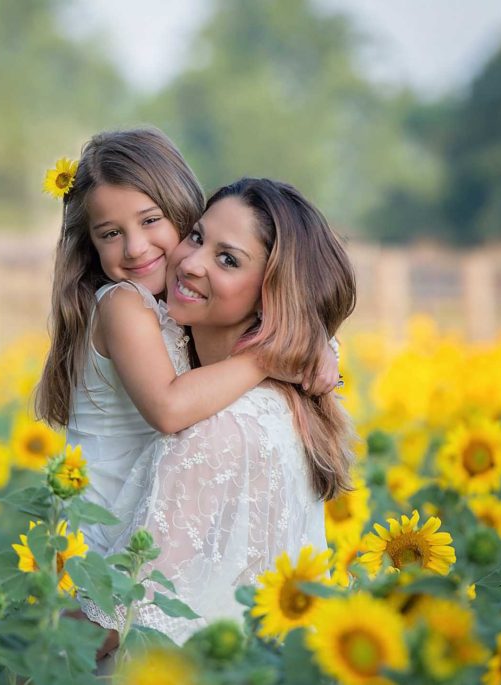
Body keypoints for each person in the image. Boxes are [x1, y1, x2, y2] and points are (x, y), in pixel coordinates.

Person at [34, 129, 340, 555]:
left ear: (182, 210)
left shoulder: (173, 305)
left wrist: (312, 340)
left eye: (150, 220)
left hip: (148, 531)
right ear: (91, 245)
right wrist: (266, 359)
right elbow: (169, 407)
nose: (136, 248)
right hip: (96, 547)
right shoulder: (123, 303)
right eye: (110, 234)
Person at [86, 178, 357, 646]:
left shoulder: (215, 431)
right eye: (196, 236)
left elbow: (125, 617)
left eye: (227, 259)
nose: (190, 263)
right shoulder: (283, 400)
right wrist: (292, 345)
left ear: (272, 292)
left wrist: (20, 653)